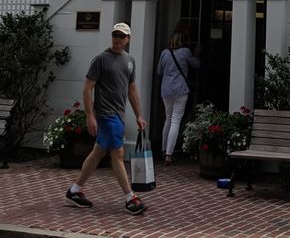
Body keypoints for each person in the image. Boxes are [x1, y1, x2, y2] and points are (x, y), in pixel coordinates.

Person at [65, 23, 148, 215]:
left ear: (128, 39)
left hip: (118, 114)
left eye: (122, 36)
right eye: (115, 35)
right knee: (117, 153)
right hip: (105, 114)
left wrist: (138, 115)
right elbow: (88, 88)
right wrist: (90, 116)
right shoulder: (101, 59)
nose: (118, 39)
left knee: (97, 152)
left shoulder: (129, 61)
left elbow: (132, 89)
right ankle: (130, 198)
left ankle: (74, 190)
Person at [157, 30, 201, 164]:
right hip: (180, 89)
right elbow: (197, 64)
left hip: (166, 90)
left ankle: (164, 150)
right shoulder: (186, 52)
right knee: (175, 121)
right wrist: (197, 53)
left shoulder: (164, 53)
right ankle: (169, 155)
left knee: (168, 119)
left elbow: (159, 71)